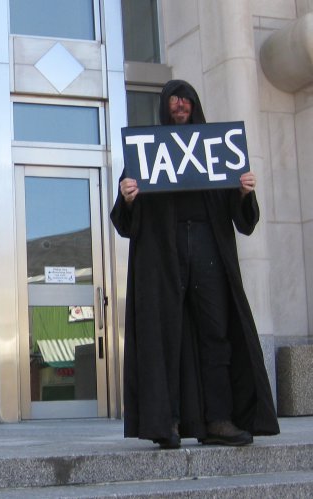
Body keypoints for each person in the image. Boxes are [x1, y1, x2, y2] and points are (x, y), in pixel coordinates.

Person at [111, 79, 280, 449]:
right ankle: (165, 422)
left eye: (185, 98)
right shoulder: (145, 155)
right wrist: (127, 199)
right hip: (163, 254)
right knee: (164, 335)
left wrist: (244, 193)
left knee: (215, 332)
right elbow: (124, 223)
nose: (179, 104)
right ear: (164, 107)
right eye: (173, 99)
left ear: (195, 104)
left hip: (208, 247)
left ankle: (219, 420)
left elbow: (244, 220)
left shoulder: (219, 151)